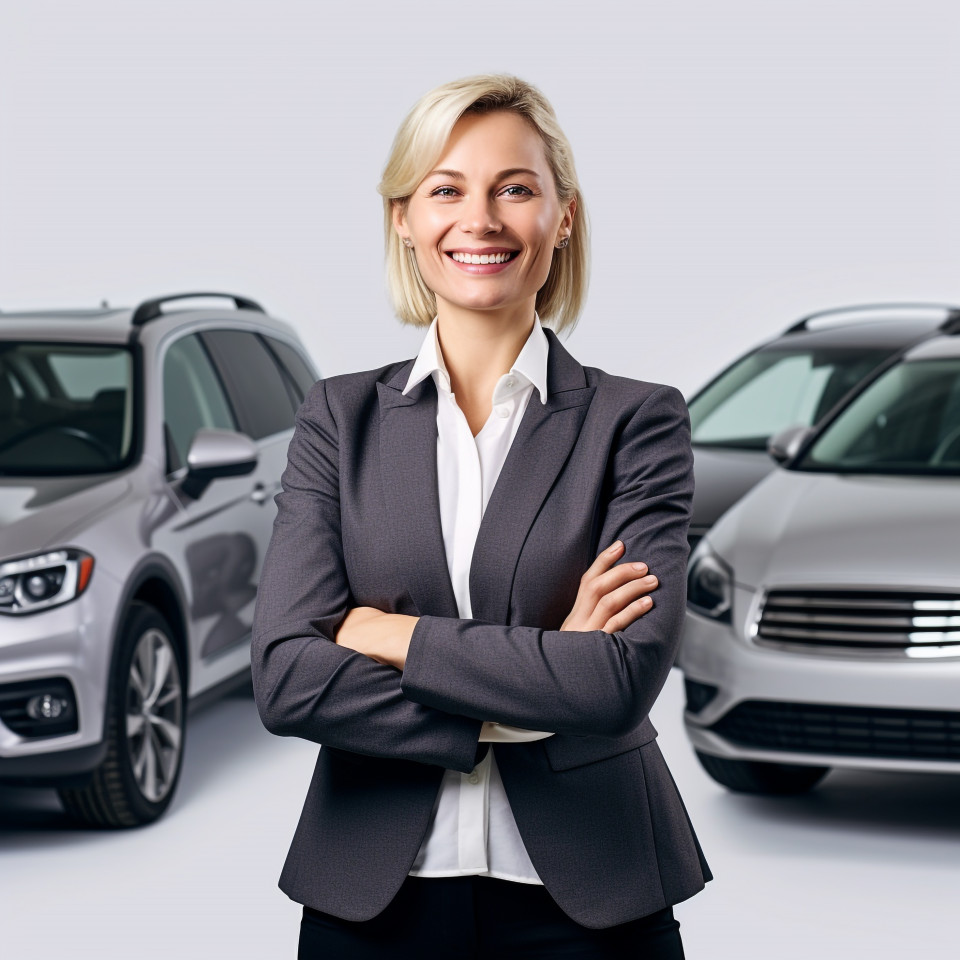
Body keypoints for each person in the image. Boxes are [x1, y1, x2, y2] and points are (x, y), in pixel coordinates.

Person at [251, 74, 711, 959]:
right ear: (403, 217)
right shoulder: (336, 418)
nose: (482, 219)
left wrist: (385, 633)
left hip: (592, 895)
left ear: (563, 216)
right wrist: (536, 693)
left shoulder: (638, 421)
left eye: (516, 188)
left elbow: (617, 684)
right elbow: (285, 677)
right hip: (370, 894)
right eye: (446, 188)